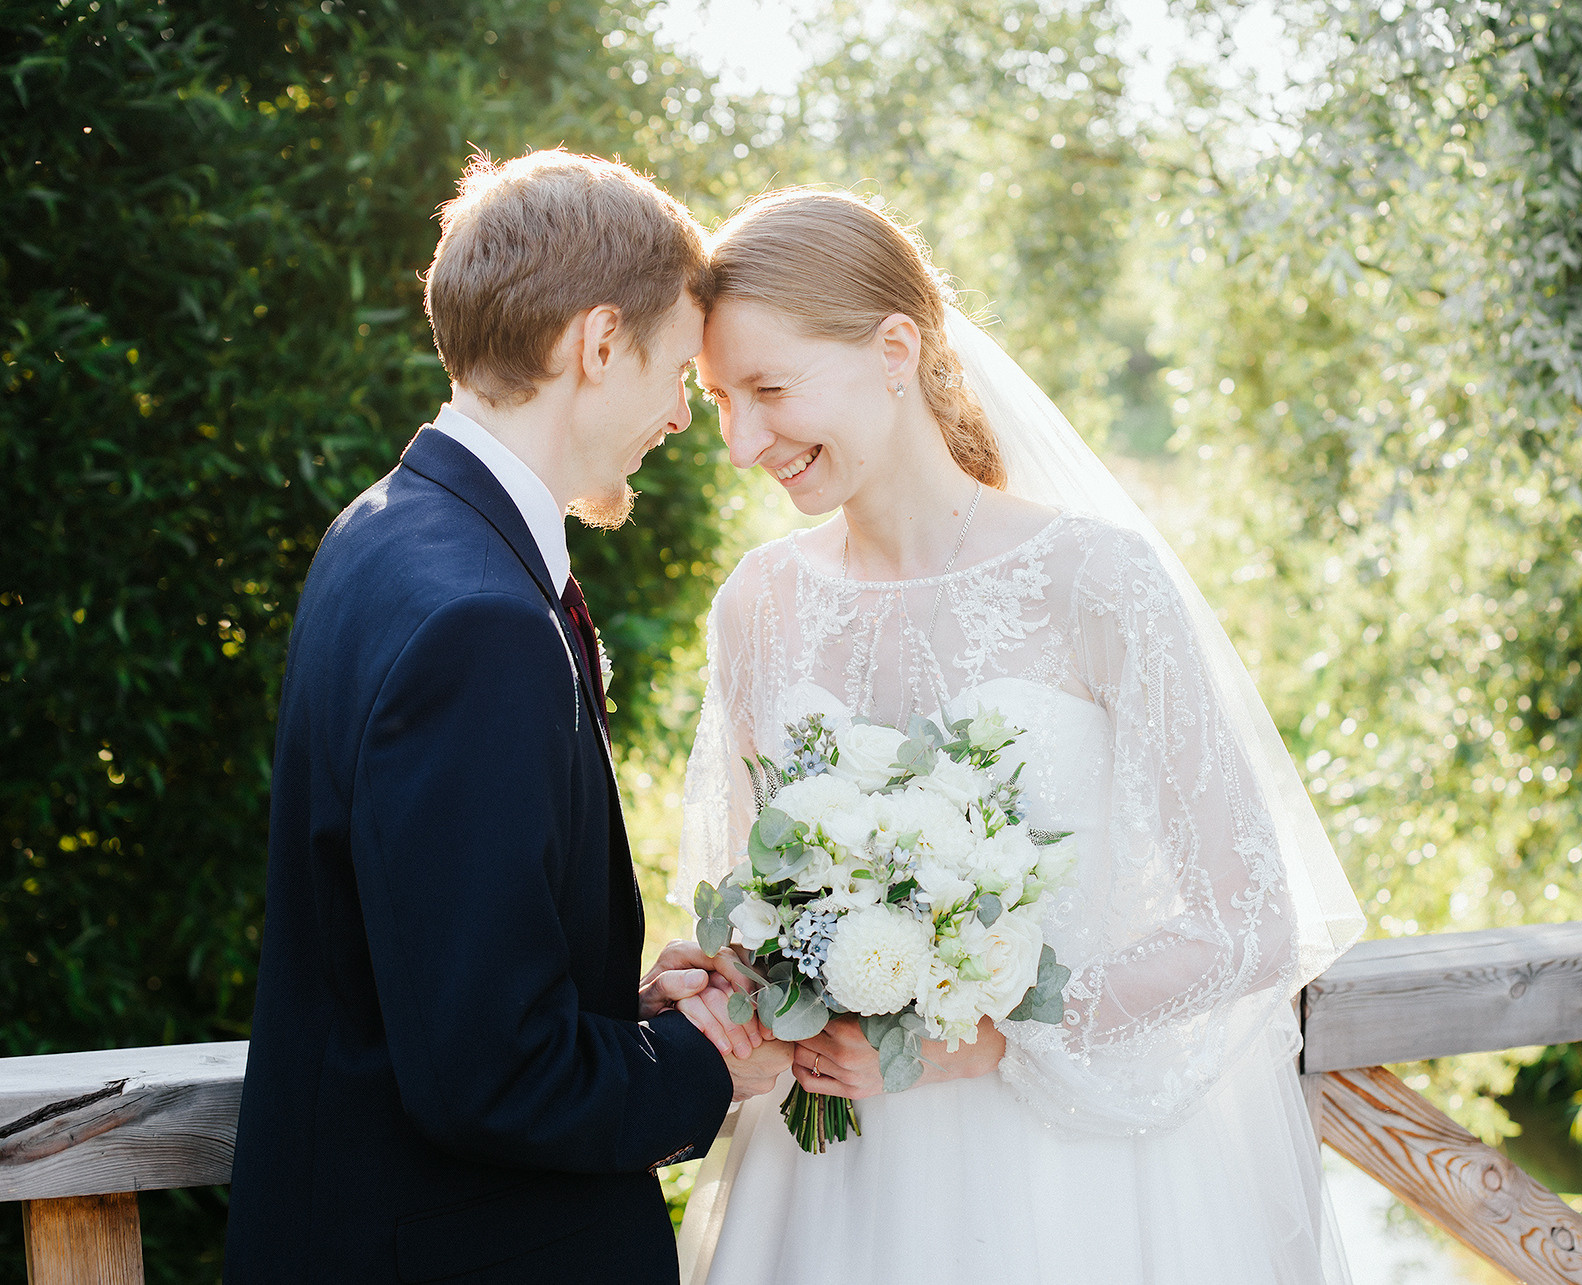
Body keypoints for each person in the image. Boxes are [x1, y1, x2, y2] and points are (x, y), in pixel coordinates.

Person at [672, 188, 1368, 1284]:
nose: (740, 443)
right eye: (718, 399)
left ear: (894, 349)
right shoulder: (758, 604)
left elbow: (1248, 924)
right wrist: (734, 989)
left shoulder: (1095, 581)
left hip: (1063, 1182)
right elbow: (750, 909)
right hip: (830, 1175)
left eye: (768, 390)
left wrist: (988, 1036)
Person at [225, 149, 792, 1285]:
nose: (681, 417)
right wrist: (707, 1062)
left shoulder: (383, 531)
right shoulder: (479, 621)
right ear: (598, 343)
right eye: (676, 370)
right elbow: (492, 1076)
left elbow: (423, 962)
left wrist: (618, 1011)